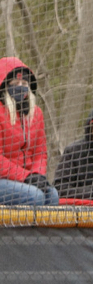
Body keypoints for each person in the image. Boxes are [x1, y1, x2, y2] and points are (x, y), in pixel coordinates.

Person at [0, 57, 59, 206]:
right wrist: (27, 177)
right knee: (35, 196)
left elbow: (40, 152)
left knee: (52, 195)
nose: (20, 87)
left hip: (25, 178)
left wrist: (37, 175)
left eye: (24, 84)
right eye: (15, 83)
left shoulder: (36, 113)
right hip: (5, 179)